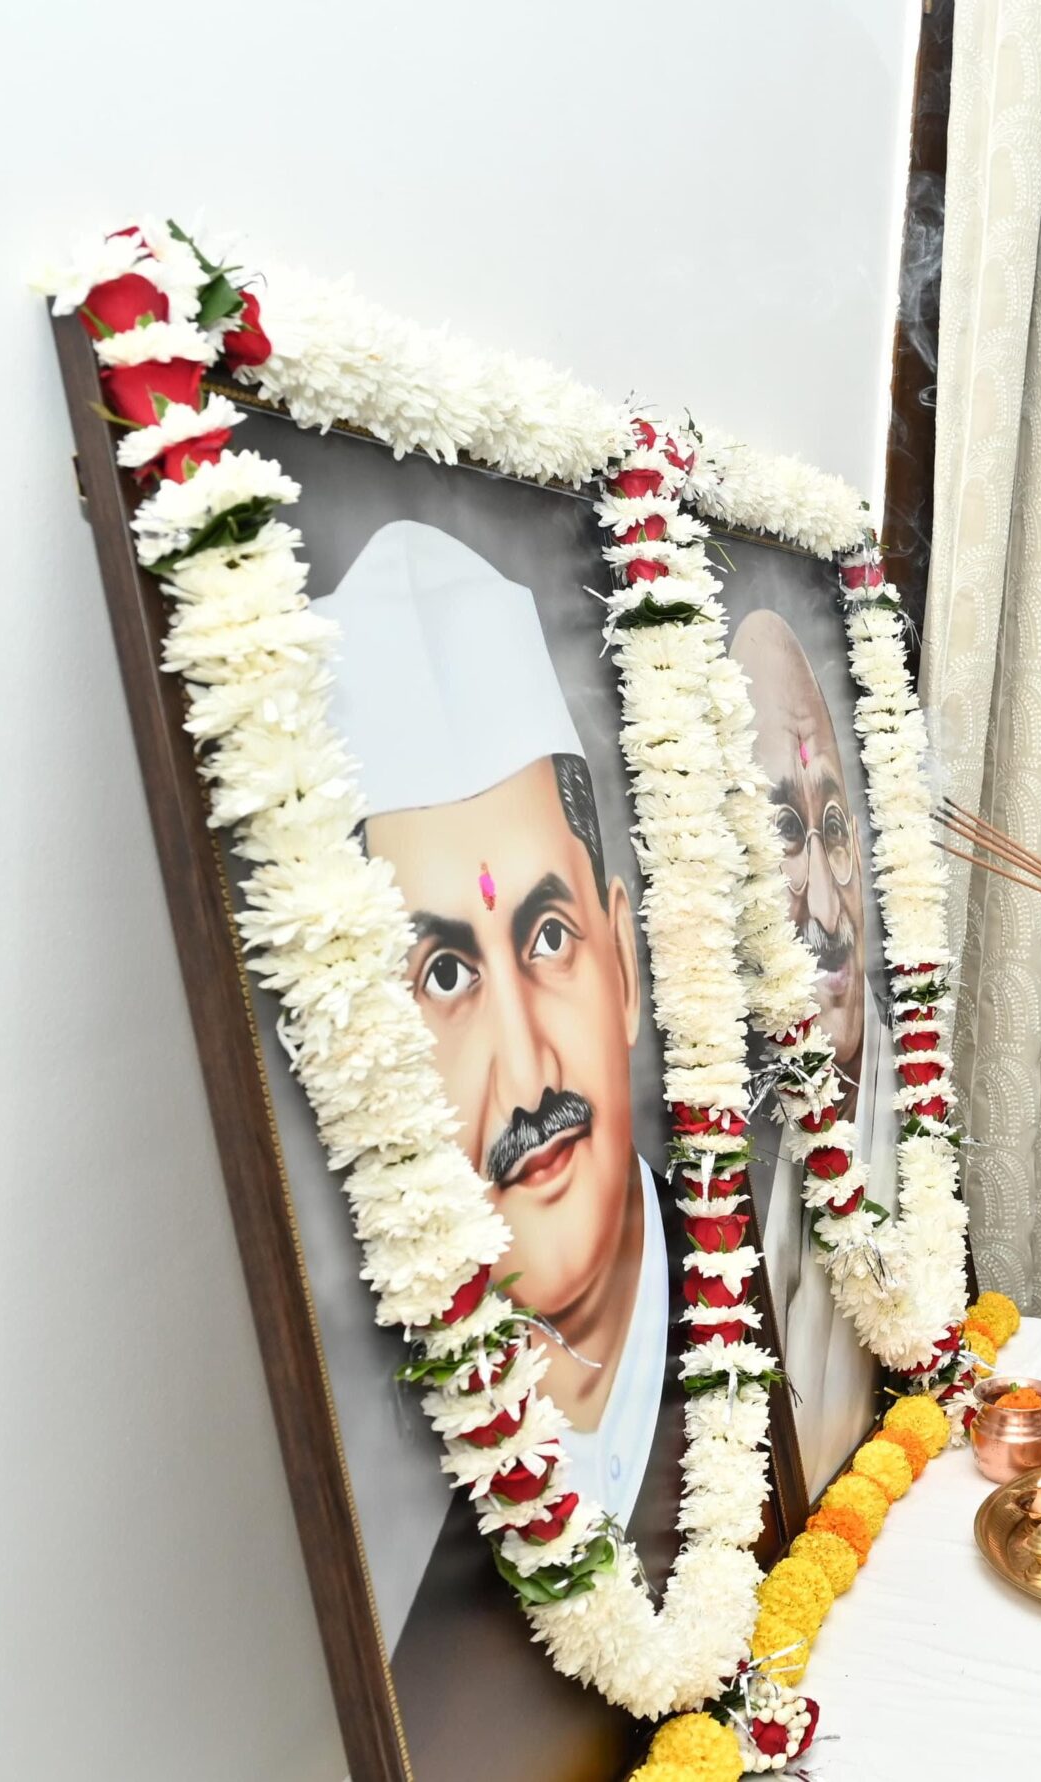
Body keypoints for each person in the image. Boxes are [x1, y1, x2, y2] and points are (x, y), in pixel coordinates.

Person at [327, 519, 692, 1775]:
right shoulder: (402, 1543)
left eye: (546, 938)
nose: (529, 1072)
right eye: (443, 974)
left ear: (625, 963)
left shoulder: (753, 1318)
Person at [731, 607, 894, 1489]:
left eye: (834, 826)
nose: (830, 906)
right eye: (783, 835)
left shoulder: (900, 1087)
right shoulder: (714, 1127)